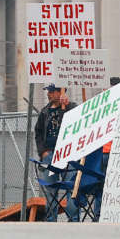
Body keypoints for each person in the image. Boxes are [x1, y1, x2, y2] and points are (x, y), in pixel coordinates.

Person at [33, 83, 79, 221]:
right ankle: (51, 219)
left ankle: (74, 218)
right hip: (50, 156)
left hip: (69, 154)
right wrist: (43, 152)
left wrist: (65, 107)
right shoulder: (45, 111)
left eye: (52, 91)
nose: (49, 94)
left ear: (61, 92)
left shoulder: (71, 107)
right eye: (49, 91)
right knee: (51, 189)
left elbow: (73, 123)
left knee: (72, 187)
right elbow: (38, 133)